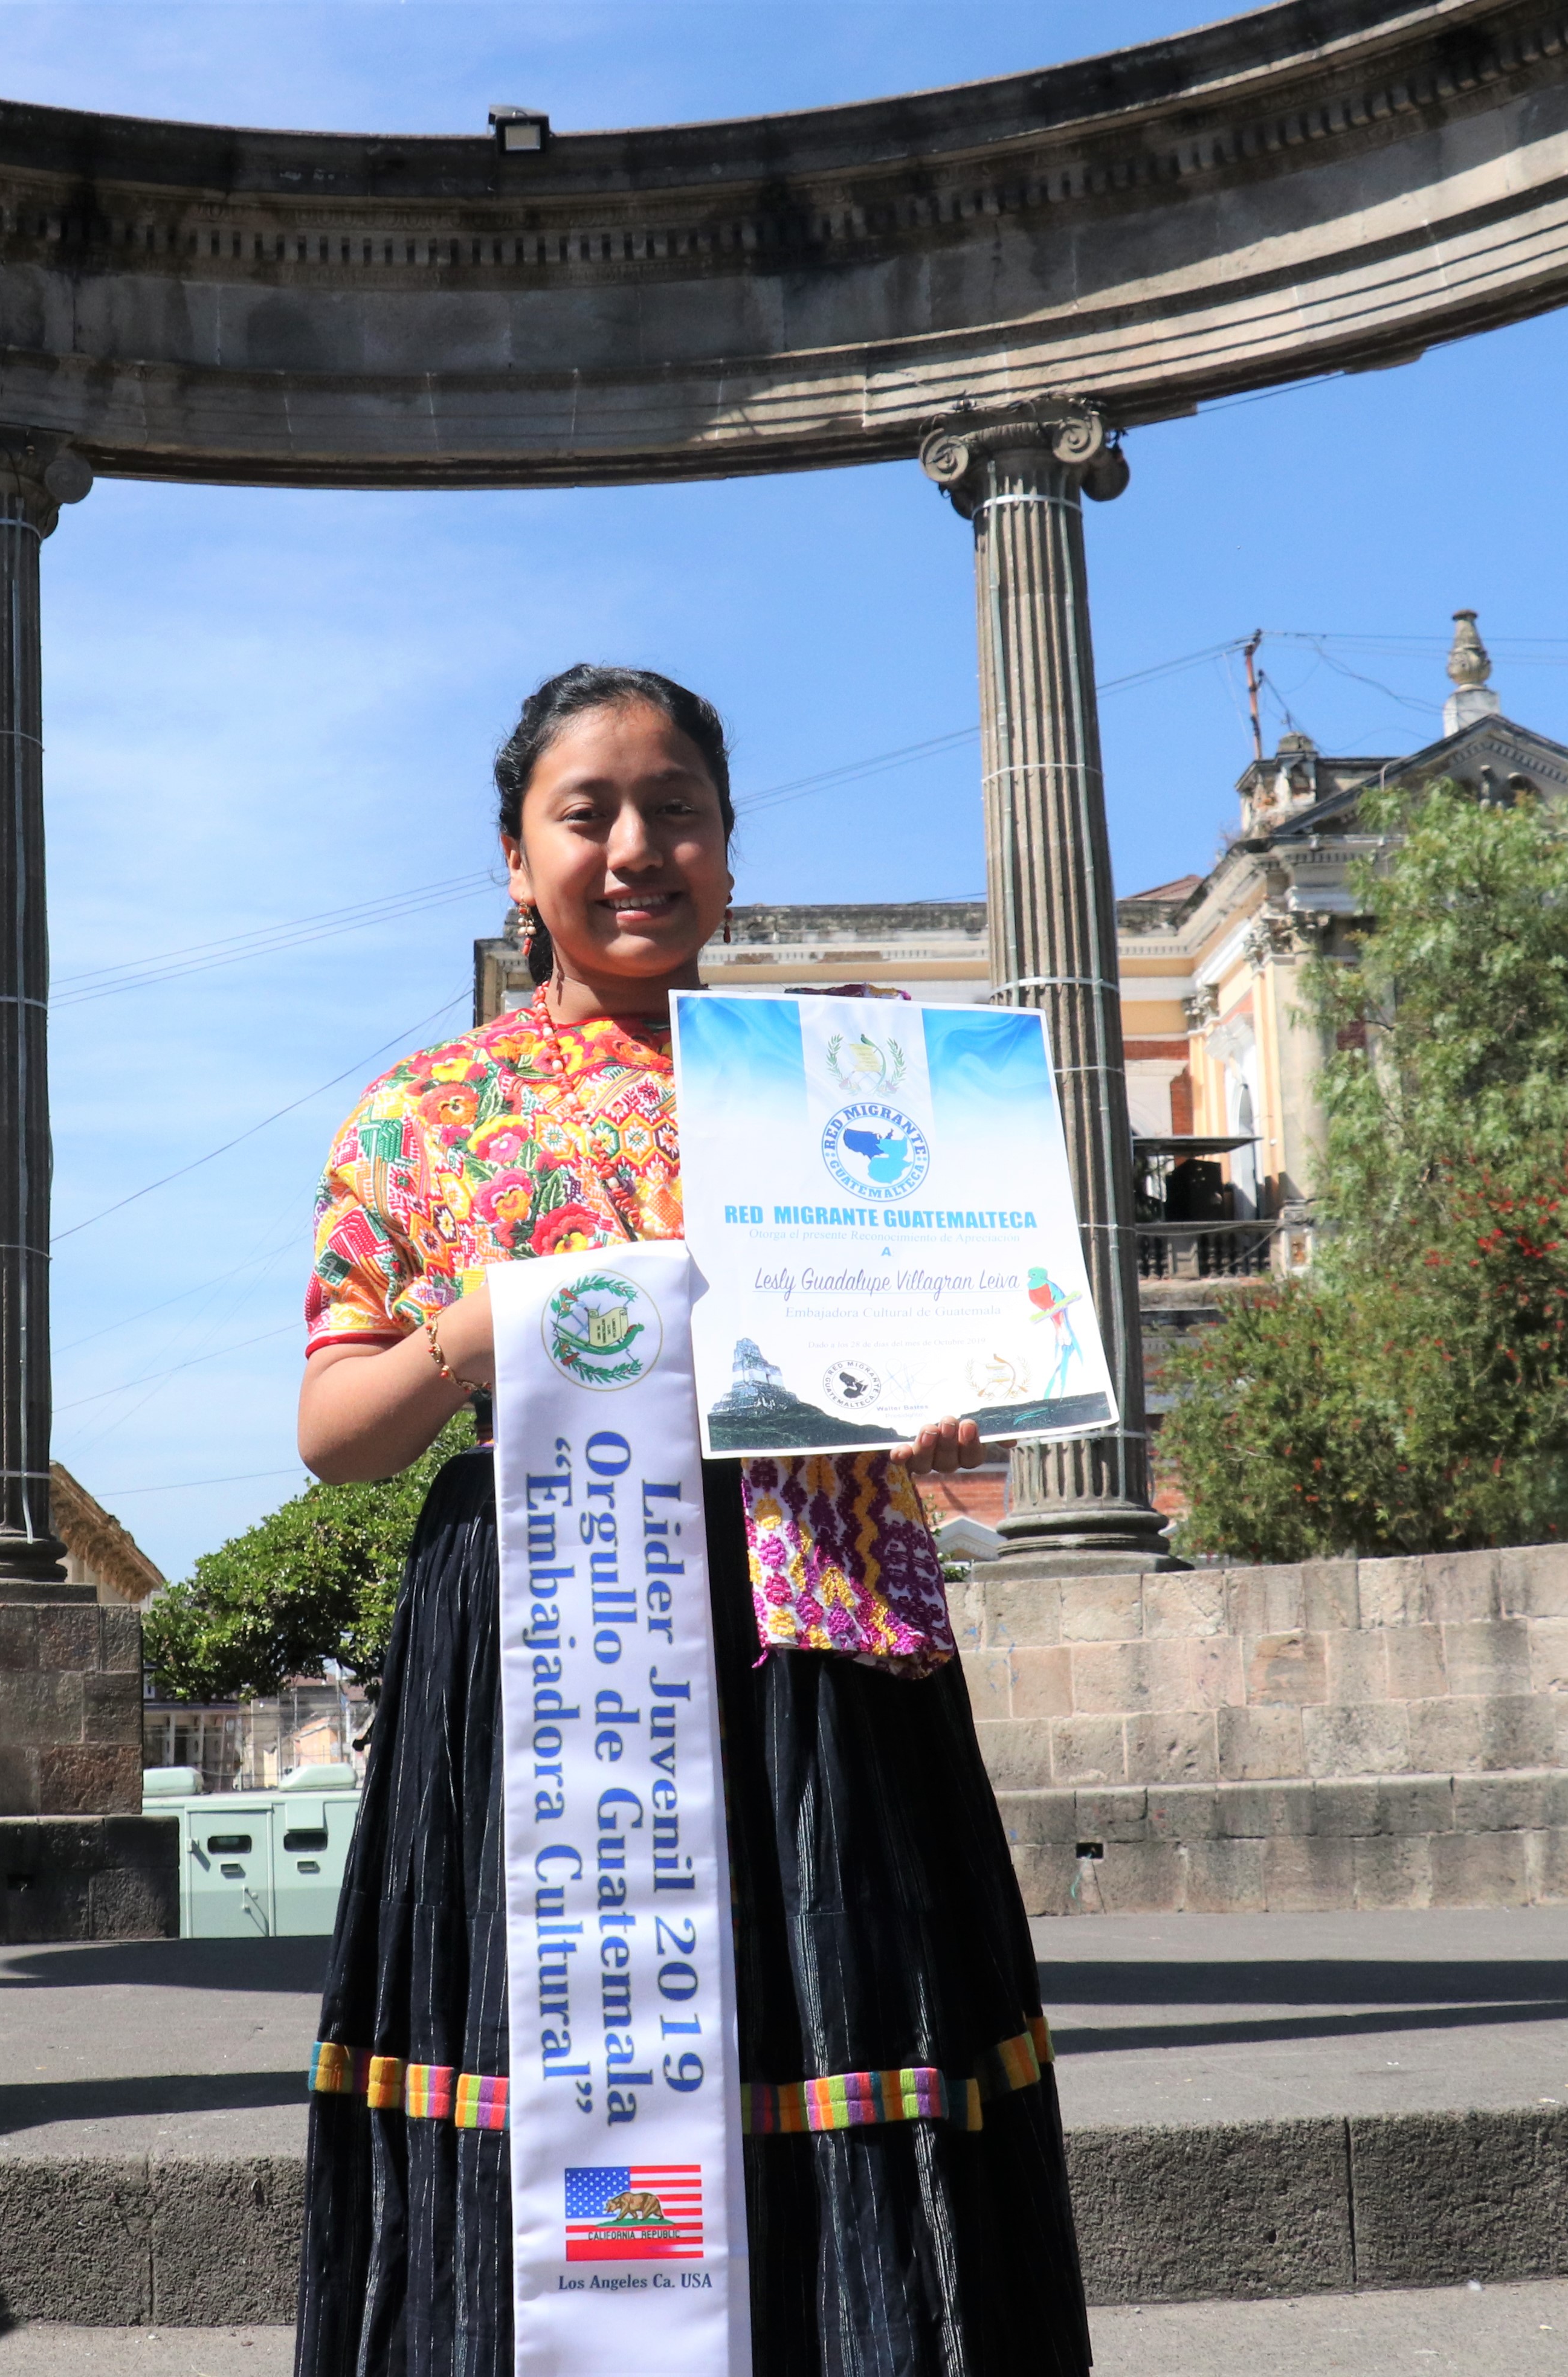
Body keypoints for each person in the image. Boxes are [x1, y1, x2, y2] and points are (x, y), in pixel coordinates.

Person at [289, 664, 1092, 2377]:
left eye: (680, 814)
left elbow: (954, 1346)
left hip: (808, 1649)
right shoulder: (423, 1115)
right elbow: (336, 1436)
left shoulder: (846, 1088)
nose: (637, 846)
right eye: (590, 815)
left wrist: (943, 1395)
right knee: (564, 2044)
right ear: (518, 859)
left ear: (731, 855)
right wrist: (470, 1328)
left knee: (829, 2015)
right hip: (539, 1651)